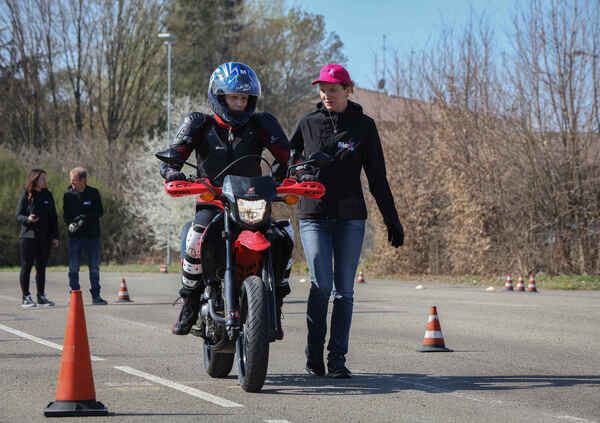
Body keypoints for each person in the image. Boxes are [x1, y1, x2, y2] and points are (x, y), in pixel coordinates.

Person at [159, 61, 293, 335]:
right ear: (219, 97)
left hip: (252, 201)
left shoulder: (262, 124)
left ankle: (275, 300)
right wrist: (173, 171)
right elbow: (175, 154)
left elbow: (287, 155)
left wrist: (294, 172)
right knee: (195, 237)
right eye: (234, 97)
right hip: (213, 199)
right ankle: (191, 301)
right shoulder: (199, 124)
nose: (239, 104)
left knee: (284, 237)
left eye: (244, 98)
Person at [290, 64, 404, 378]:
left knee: (344, 291)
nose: (327, 94)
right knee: (321, 284)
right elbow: (286, 162)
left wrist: (391, 220)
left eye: (334, 89)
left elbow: (377, 177)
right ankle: (314, 356)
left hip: (350, 217)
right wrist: (301, 171)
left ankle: (337, 360)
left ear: (348, 89)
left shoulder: (363, 126)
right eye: (323, 89)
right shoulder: (308, 123)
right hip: (313, 215)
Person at [63, 167, 107, 305]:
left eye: (74, 181)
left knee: (94, 268)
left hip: (92, 237)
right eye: (71, 181)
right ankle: (74, 294)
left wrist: (85, 217)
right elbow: (66, 215)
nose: (72, 184)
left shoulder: (93, 193)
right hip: (75, 238)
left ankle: (96, 296)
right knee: (74, 267)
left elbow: (99, 212)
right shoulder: (68, 195)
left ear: (83, 180)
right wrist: (71, 223)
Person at [16, 169, 59, 308]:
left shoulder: (48, 195)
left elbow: (54, 218)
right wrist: (28, 219)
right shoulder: (26, 194)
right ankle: (26, 297)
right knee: (26, 267)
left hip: (44, 238)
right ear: (35, 180)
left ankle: (41, 296)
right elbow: (18, 215)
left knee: (41, 268)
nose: (45, 181)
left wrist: (55, 236)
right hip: (28, 237)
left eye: (45, 179)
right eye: (43, 179)